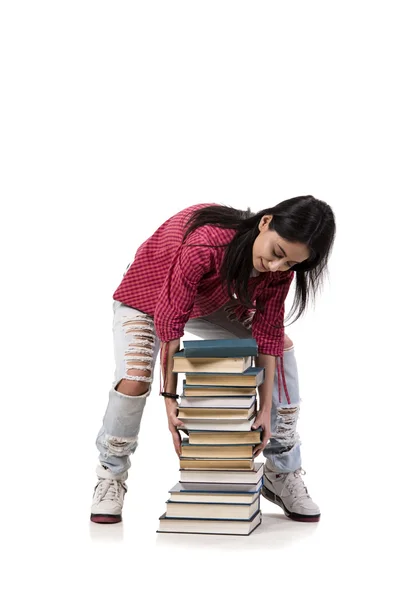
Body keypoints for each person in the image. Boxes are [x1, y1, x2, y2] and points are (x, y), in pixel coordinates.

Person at [90, 196, 336, 524]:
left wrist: (263, 410)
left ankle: (282, 470)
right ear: (266, 222)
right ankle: (111, 473)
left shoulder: (280, 269)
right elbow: (171, 321)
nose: (277, 267)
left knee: (282, 347)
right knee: (135, 376)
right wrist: (170, 400)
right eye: (277, 253)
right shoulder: (206, 245)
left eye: (290, 264)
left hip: (206, 301)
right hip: (147, 295)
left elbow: (268, 337)